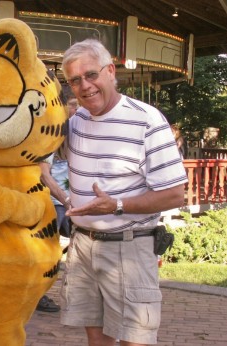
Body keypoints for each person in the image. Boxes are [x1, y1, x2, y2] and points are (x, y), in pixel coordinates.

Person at [60, 39, 188, 346]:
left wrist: (115, 205)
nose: (85, 86)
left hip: (129, 249)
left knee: (136, 340)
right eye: (75, 80)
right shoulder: (75, 122)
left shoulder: (146, 119)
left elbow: (174, 195)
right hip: (83, 247)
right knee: (96, 340)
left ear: (110, 71)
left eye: (91, 75)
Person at [35, 97, 78, 313]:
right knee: (47, 252)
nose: (76, 109)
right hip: (55, 203)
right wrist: (65, 199)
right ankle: (38, 294)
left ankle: (74, 295)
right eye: (73, 104)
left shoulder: (79, 138)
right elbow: (44, 174)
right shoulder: (51, 138)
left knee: (77, 248)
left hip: (73, 203)